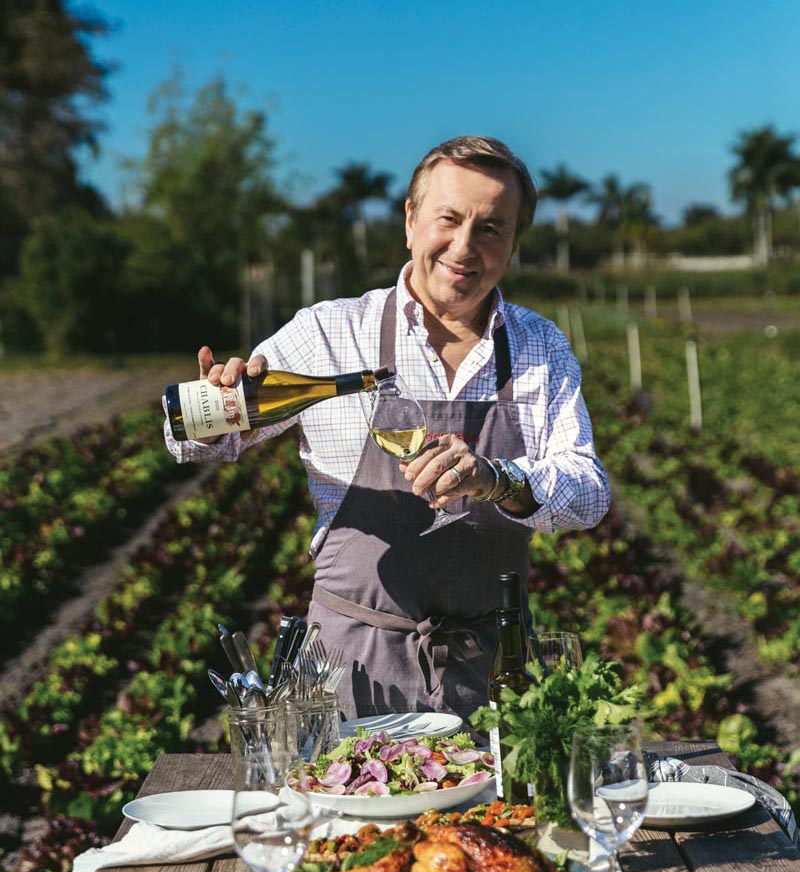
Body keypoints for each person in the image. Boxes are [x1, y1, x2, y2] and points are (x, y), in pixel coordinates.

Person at [163, 135, 610, 721]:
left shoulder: (539, 347)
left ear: (513, 243)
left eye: (491, 228)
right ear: (410, 220)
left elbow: (590, 491)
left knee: (492, 816)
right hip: (350, 671)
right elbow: (191, 440)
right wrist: (213, 410)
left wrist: (496, 478)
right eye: (447, 219)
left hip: (492, 672)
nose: (464, 246)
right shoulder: (329, 334)